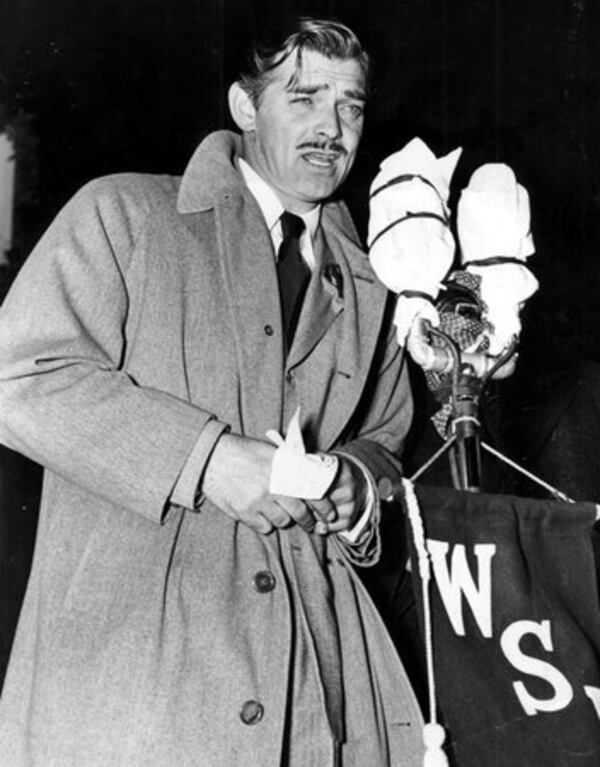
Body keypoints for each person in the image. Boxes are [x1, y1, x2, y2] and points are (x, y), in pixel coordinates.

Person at [0, 16, 423, 766]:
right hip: (138, 693)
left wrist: (358, 484)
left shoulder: (374, 284)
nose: (333, 126)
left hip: (315, 692)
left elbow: (386, 436)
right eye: (304, 96)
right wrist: (208, 458)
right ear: (243, 106)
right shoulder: (125, 217)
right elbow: (17, 375)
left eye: (351, 105)